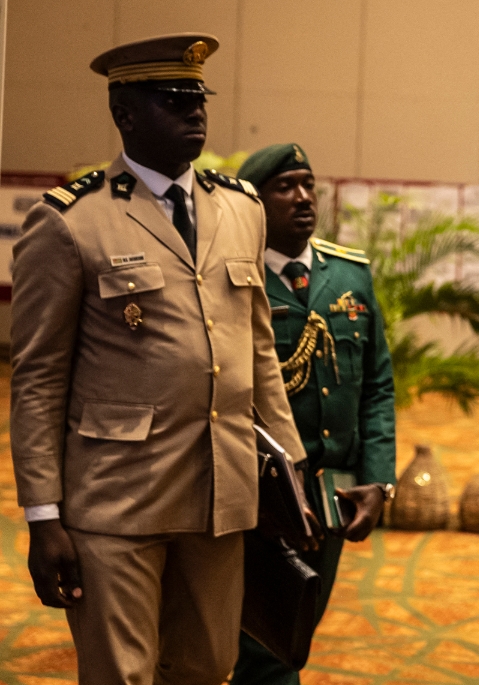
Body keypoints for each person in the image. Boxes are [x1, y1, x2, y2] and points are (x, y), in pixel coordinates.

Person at [8, 34, 305, 684]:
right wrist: (42, 514)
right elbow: (36, 379)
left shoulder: (240, 208)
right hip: (117, 497)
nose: (194, 112)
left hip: (220, 494)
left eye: (199, 98)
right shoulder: (70, 222)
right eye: (174, 100)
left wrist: (292, 464)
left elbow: (258, 350)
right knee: (121, 673)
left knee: (207, 666)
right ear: (126, 113)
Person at [231, 143, 397, 683]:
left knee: (294, 633)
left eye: (308, 185)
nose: (303, 198)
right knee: (266, 642)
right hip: (261, 495)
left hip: (330, 495)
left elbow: (375, 385)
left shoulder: (350, 275)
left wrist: (378, 480)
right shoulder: (234, 277)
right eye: (285, 187)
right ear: (254, 203)